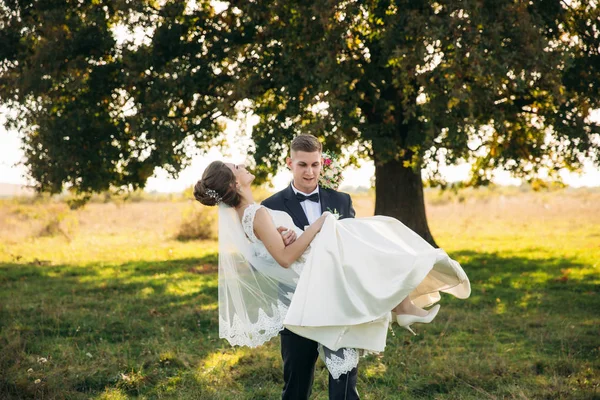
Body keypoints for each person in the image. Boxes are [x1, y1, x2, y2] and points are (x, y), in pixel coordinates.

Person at [193, 135, 471, 400]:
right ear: (290, 164)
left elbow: (269, 246)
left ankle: (404, 296)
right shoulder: (266, 206)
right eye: (302, 164)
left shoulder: (339, 200)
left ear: (322, 163)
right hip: (298, 304)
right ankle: (405, 295)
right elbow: (278, 257)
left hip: (336, 296)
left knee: (344, 380)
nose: (310, 171)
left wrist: (284, 235)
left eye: (315, 164)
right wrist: (316, 227)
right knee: (297, 385)